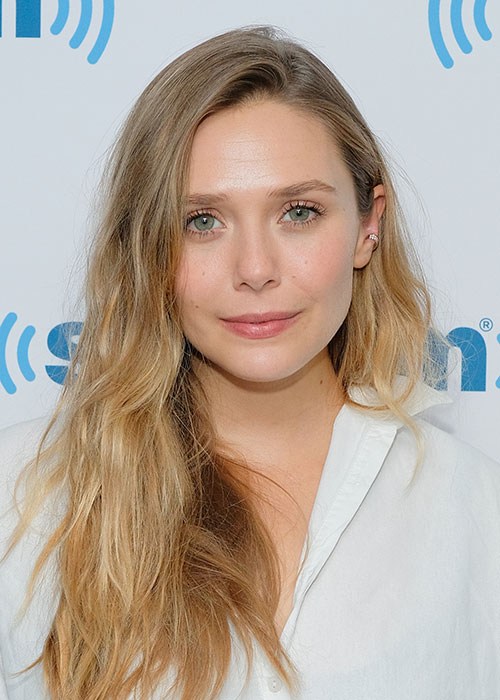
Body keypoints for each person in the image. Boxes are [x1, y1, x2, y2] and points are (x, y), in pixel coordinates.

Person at [0, 25, 499, 700]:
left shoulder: (476, 513)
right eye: (202, 221)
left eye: (299, 212)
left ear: (368, 226)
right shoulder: (22, 497)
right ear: (146, 247)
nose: (256, 269)